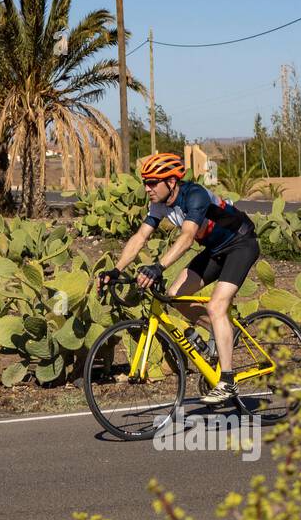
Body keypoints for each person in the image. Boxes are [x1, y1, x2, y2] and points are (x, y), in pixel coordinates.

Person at [98, 152, 260, 406]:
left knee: (217, 305)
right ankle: (220, 335)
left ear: (171, 182)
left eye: (153, 182)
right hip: (215, 251)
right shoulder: (158, 204)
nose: (147, 188)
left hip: (241, 244)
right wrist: (116, 270)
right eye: (145, 182)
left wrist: (158, 267)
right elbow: (141, 237)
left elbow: (186, 237)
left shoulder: (195, 195)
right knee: (175, 298)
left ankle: (227, 381)